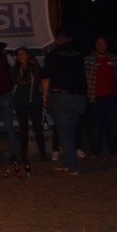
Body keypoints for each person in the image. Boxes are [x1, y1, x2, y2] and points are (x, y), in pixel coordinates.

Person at [41, 29, 88, 175]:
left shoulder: (52, 55)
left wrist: (45, 96)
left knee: (64, 133)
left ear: (56, 40)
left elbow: (46, 78)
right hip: (79, 97)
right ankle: (69, 162)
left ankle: (73, 166)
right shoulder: (80, 55)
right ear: (69, 39)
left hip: (61, 97)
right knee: (71, 131)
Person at [84, 36, 117, 157]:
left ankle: (114, 150)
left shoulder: (114, 59)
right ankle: (95, 152)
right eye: (99, 43)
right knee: (96, 126)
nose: (101, 45)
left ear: (107, 45)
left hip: (112, 97)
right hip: (95, 98)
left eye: (104, 43)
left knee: (113, 125)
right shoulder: (88, 60)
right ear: (95, 45)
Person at [11, 47, 47, 172]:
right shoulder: (16, 69)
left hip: (35, 102)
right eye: (18, 54)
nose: (20, 56)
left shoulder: (35, 68)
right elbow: (12, 81)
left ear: (28, 55)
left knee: (37, 128)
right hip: (21, 102)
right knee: (23, 129)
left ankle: (43, 154)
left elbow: (43, 79)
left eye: (23, 54)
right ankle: (23, 156)